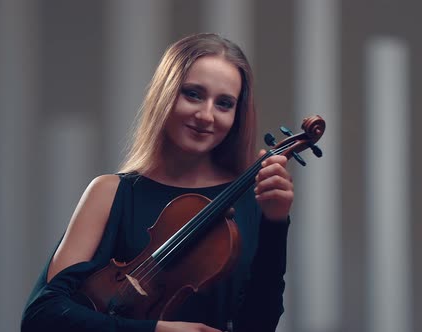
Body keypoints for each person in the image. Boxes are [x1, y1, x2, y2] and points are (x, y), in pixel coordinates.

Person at [21, 33, 293, 332]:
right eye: (193, 94)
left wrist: (276, 222)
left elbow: (259, 324)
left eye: (224, 104)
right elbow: (42, 316)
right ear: (166, 93)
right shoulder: (110, 193)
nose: (206, 115)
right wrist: (157, 330)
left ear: (237, 115)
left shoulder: (251, 202)